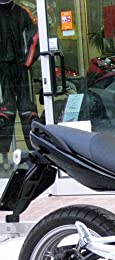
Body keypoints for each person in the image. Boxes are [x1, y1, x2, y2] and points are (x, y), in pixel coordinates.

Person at [0, 0, 39, 160]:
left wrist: (27, 62)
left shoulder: (23, 12)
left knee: (28, 112)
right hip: (3, 69)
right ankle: (3, 158)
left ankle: (34, 154)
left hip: (22, 68)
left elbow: (36, 36)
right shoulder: (24, 11)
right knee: (4, 113)